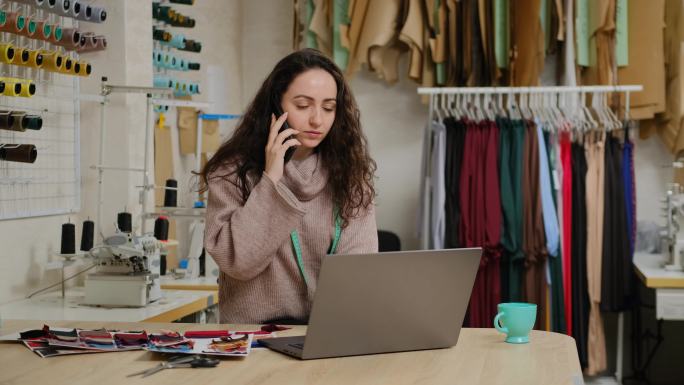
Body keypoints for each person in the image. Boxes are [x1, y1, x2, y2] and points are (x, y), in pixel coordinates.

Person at [200, 49, 379, 324]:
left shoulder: (350, 177)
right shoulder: (231, 172)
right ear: (276, 106)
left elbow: (359, 276)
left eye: (328, 107)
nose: (317, 120)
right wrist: (271, 179)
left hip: (326, 336)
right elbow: (239, 262)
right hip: (252, 341)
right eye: (303, 105)